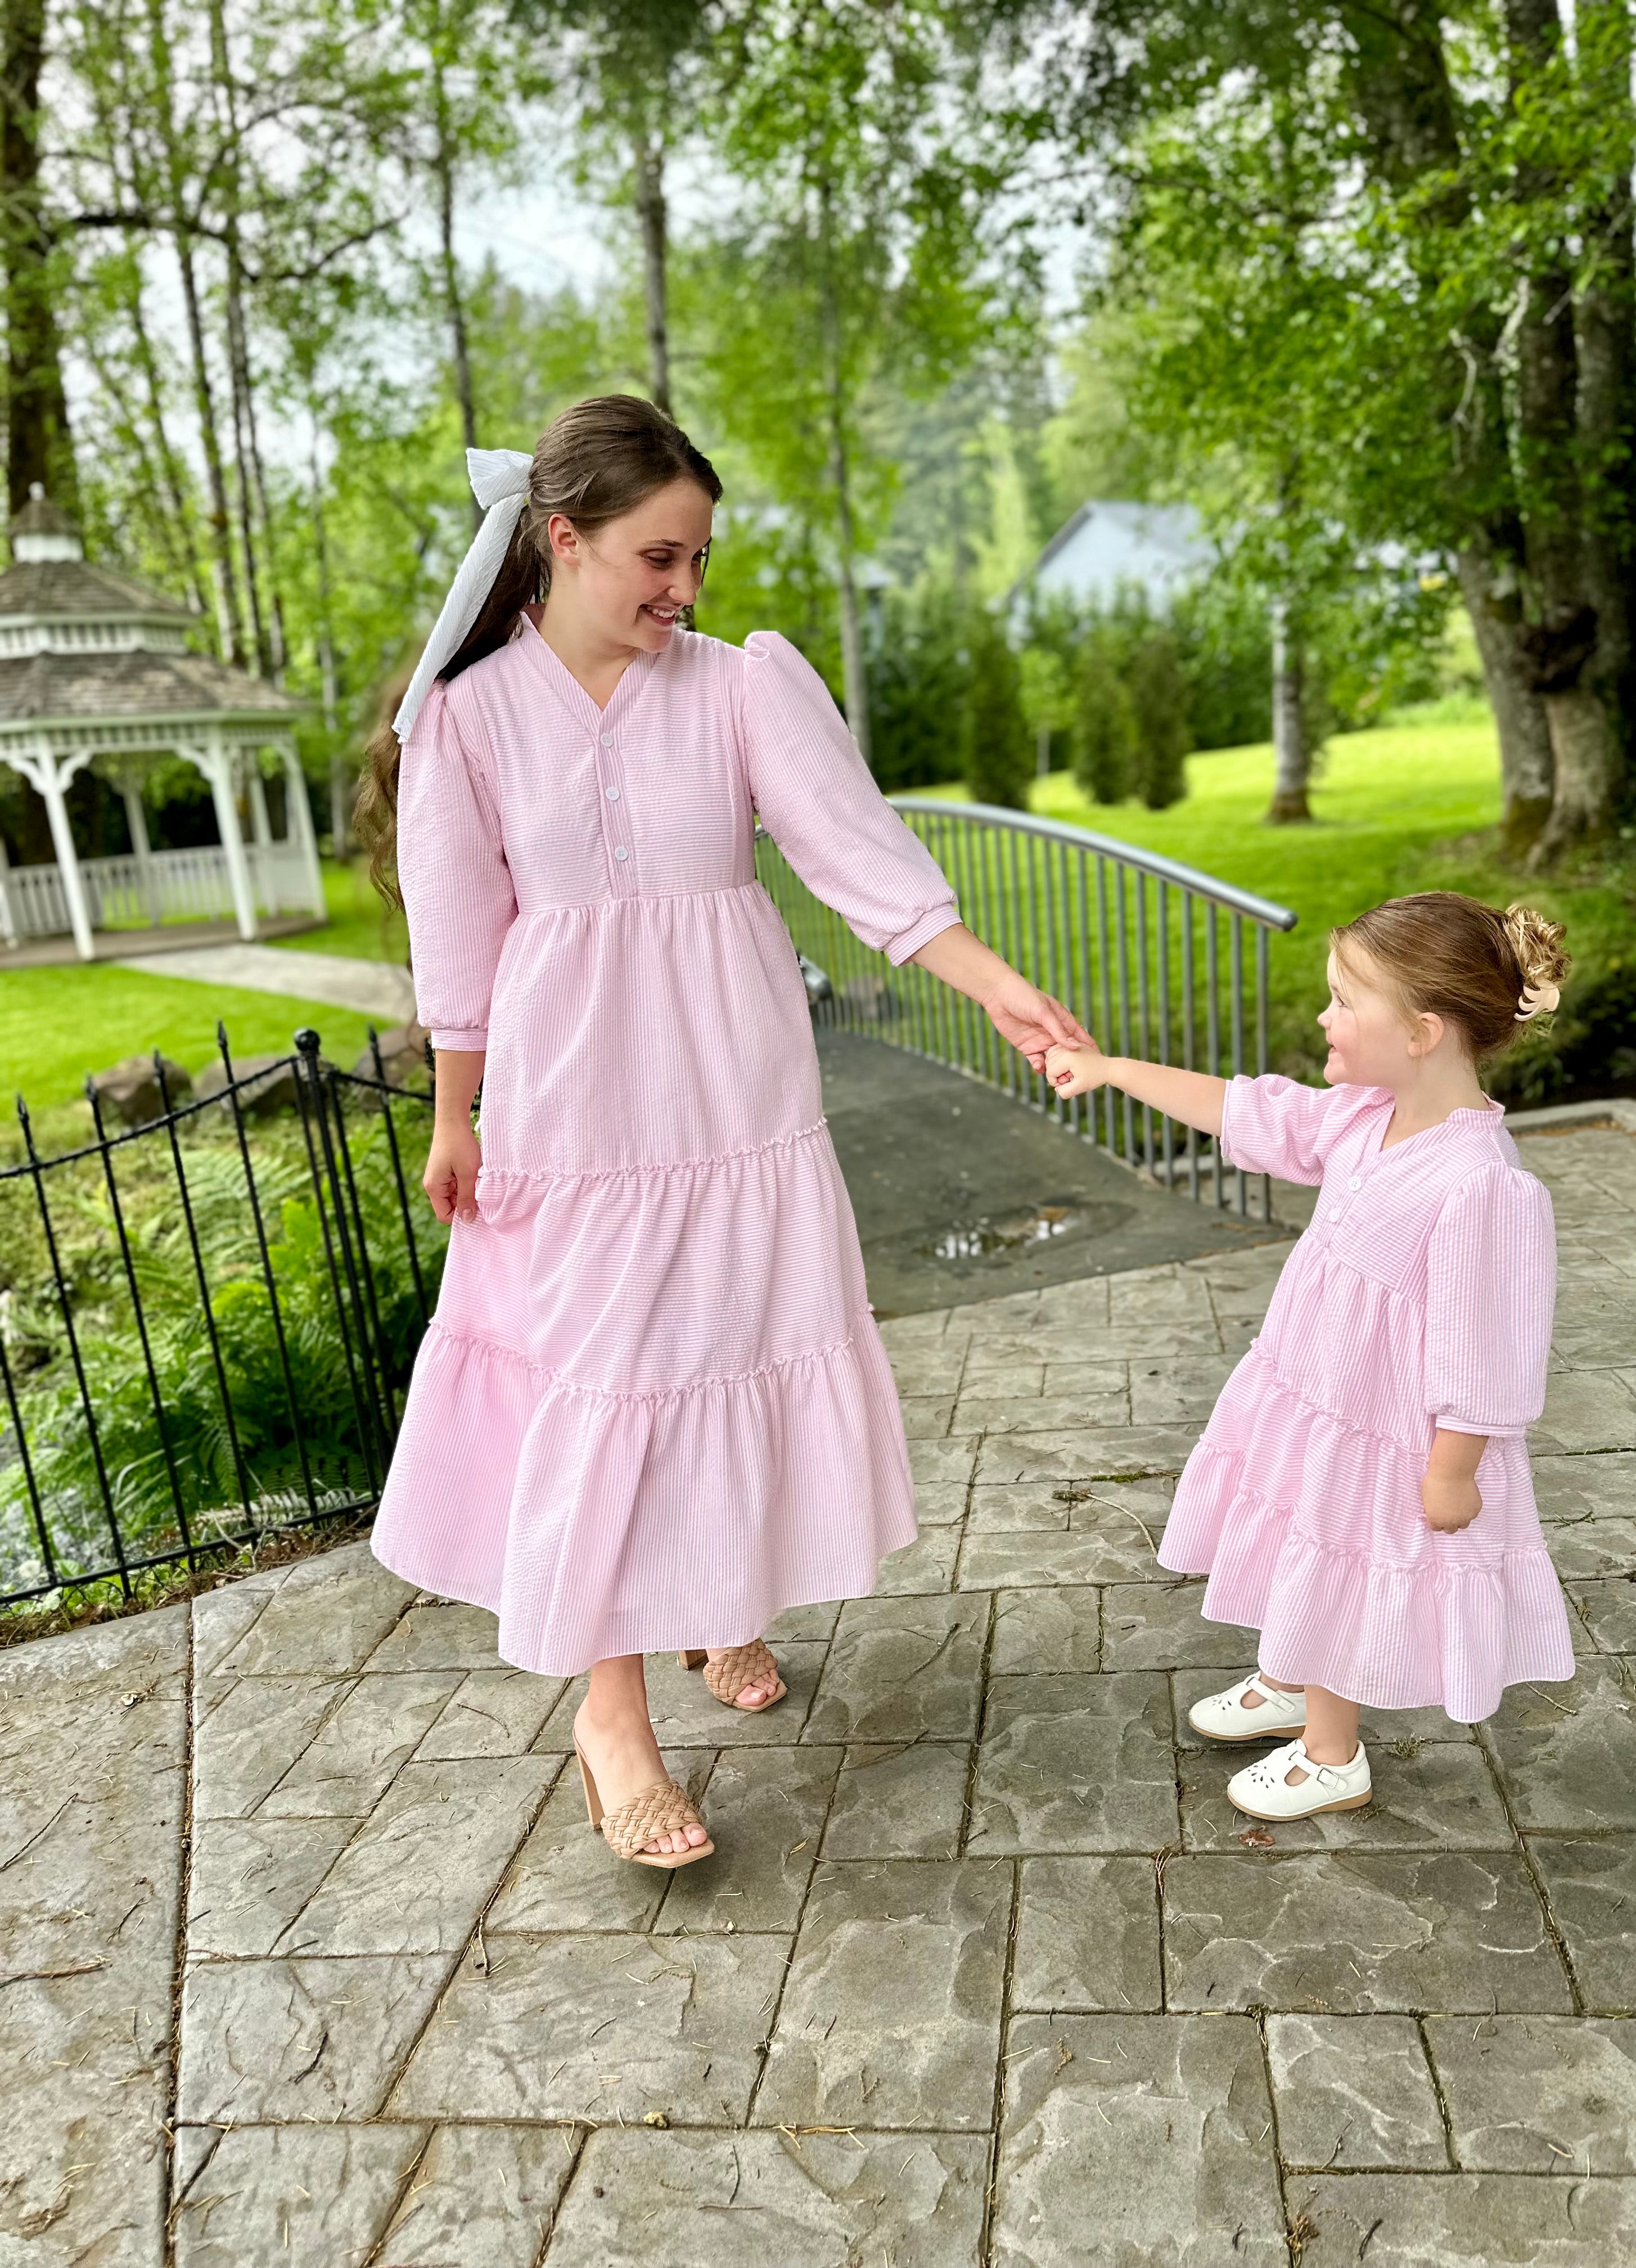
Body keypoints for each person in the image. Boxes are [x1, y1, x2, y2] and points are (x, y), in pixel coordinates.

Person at [355, 397, 1087, 1869]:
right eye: (659, 556)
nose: (685, 588)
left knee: (722, 1345)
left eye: (698, 558)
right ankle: (610, 1719)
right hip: (576, 1114)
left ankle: (714, 1603)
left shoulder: (741, 688)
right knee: (604, 1384)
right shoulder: (468, 718)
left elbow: (862, 860)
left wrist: (998, 986)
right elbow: (459, 939)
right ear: (562, 541)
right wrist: (455, 1117)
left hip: (737, 1098)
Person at [1043, 891, 1574, 1820]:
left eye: (1343, 1001)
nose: (1324, 1017)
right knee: (1300, 1532)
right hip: (1314, 1395)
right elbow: (1246, 1110)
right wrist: (1111, 1069)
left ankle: (1332, 1756)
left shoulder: (1482, 1185)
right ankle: (1289, 1678)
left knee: (1342, 1567)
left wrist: (1454, 1470)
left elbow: (1491, 1348)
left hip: (1387, 1436)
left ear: (1421, 1032)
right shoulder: (1366, 1115)